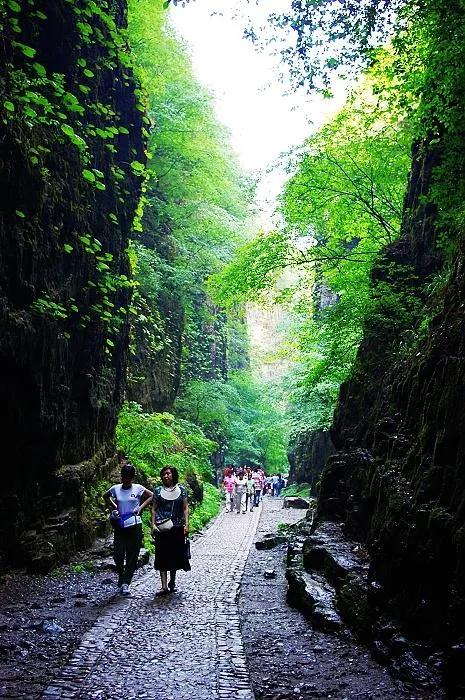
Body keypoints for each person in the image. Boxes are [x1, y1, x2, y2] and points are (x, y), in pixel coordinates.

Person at [105, 462, 153, 596]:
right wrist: (114, 506)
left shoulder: (138, 488)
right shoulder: (116, 488)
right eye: (123, 477)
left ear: (132, 478)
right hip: (120, 525)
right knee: (118, 554)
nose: (124, 480)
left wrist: (140, 507)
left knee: (132, 555)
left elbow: (151, 496)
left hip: (134, 524)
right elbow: (105, 496)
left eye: (127, 478)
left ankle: (126, 583)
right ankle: (121, 574)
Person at [151, 466, 190, 596]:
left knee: (174, 555)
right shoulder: (157, 491)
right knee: (161, 555)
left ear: (173, 475)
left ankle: (172, 581)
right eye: (163, 474)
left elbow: (185, 508)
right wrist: (153, 525)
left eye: (168, 474)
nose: (166, 476)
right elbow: (154, 509)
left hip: (177, 527)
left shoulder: (182, 491)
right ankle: (163, 586)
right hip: (162, 528)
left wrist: (186, 524)